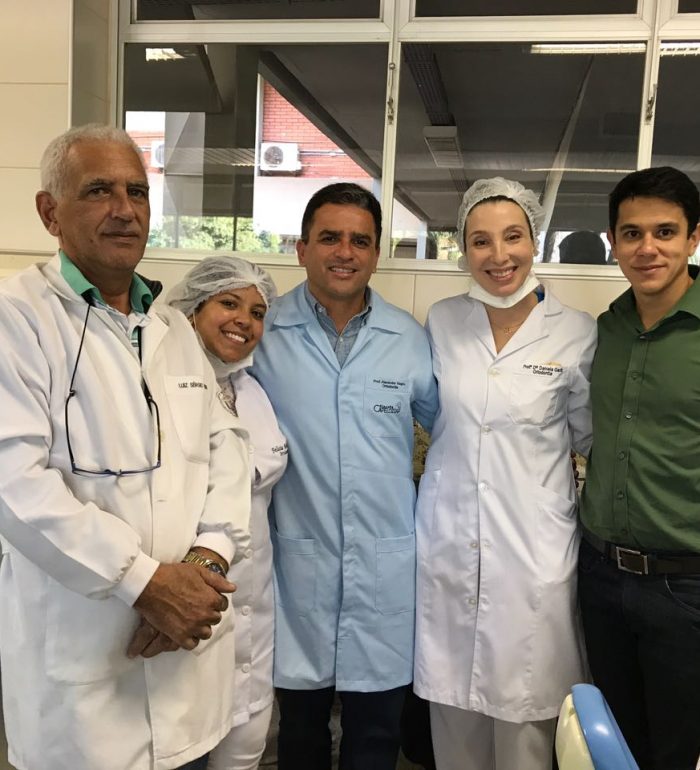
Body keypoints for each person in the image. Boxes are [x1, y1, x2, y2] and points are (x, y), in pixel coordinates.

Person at [0, 124, 251, 770]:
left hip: (186, 674)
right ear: (49, 213)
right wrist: (144, 583)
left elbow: (227, 452)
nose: (124, 209)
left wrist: (206, 564)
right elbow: (14, 485)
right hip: (83, 693)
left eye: (137, 192)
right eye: (98, 191)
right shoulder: (17, 318)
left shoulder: (171, 328)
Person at [251, 182, 438, 770]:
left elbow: (454, 434)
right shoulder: (263, 332)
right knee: (300, 734)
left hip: (385, 569)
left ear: (377, 253)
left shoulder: (408, 338)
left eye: (360, 240)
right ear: (302, 248)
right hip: (295, 566)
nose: (344, 252)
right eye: (329, 237)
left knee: (376, 739)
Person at [413, 177, 597, 770]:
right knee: (453, 724)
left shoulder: (576, 331)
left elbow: (587, 437)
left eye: (513, 236)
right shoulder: (442, 320)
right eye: (481, 241)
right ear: (463, 248)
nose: (499, 256)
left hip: (533, 554)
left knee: (526, 729)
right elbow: (435, 417)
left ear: (534, 240)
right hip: (448, 543)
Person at [578, 166, 700, 770]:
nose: (647, 248)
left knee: (676, 749)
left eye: (665, 232)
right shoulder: (609, 327)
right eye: (632, 233)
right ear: (613, 242)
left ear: (694, 238)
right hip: (601, 575)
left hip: (685, 585)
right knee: (613, 746)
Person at [167, 257, 287, 770]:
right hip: (189, 597)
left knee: (245, 750)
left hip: (255, 609)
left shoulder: (252, 390)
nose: (245, 320)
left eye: (257, 312)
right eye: (229, 303)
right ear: (193, 308)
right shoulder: (163, 387)